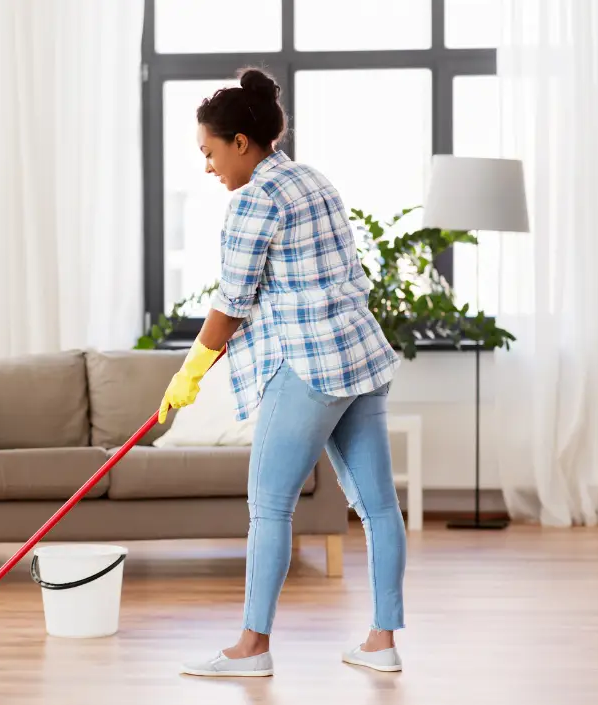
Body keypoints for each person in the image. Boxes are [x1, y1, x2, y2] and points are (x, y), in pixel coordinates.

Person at [158, 68, 407, 677]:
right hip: (359, 356)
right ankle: (382, 642)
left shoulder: (254, 200)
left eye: (210, 152)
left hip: (306, 367)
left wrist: (188, 372)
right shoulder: (313, 180)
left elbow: (231, 302)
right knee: (378, 507)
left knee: (269, 508)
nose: (208, 166)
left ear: (241, 142)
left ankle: (252, 649)